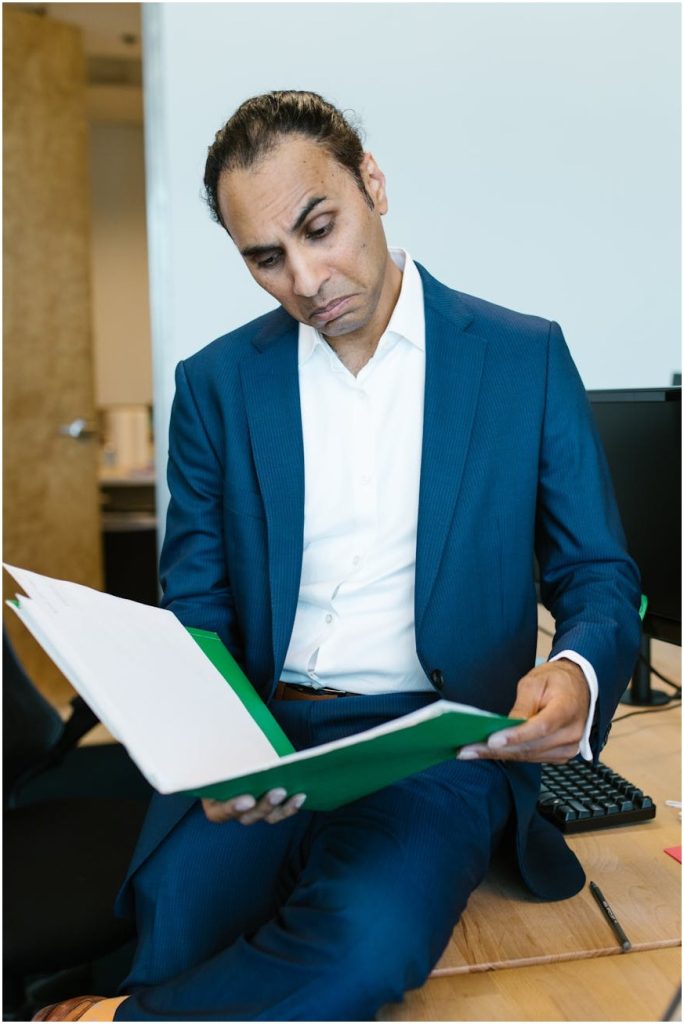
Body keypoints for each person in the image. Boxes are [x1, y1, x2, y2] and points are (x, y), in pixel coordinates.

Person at [34, 90, 641, 1023]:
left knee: (370, 941)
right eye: (266, 258)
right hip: (266, 734)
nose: (308, 279)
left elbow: (596, 572)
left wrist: (578, 671)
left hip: (439, 743)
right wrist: (214, 741)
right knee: (180, 916)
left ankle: (115, 1020)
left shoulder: (523, 358)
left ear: (373, 185)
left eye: (320, 229)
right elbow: (198, 606)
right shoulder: (215, 386)